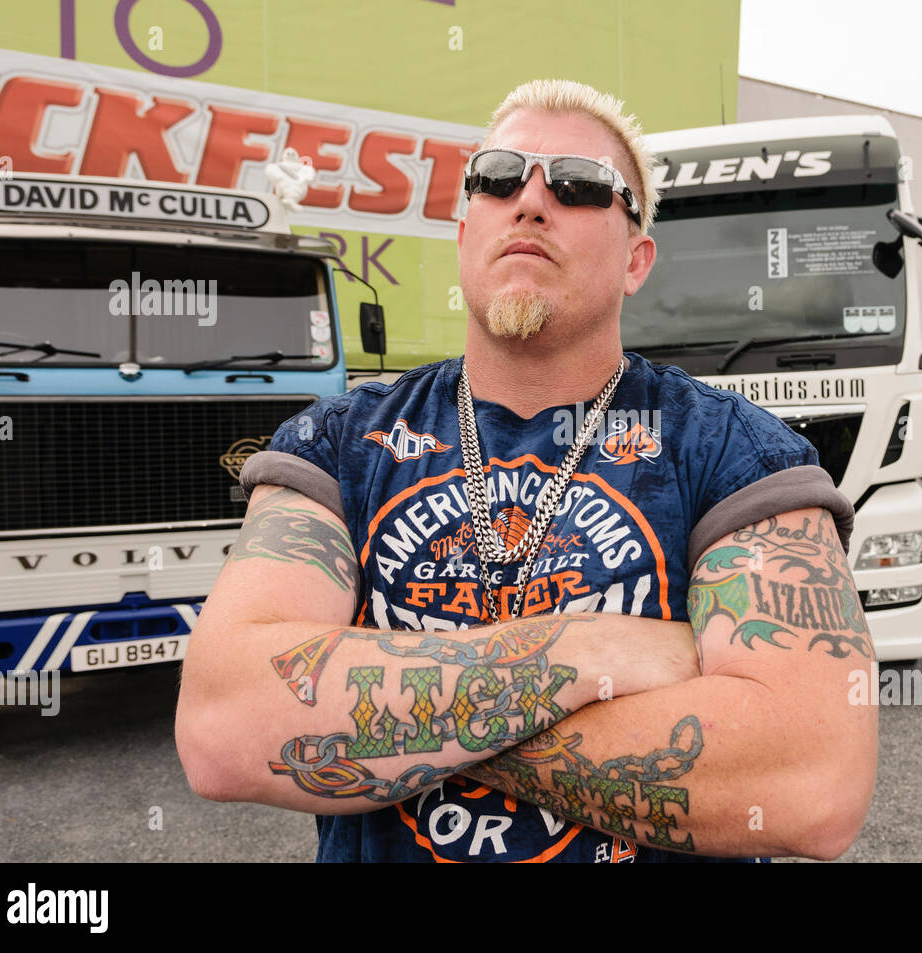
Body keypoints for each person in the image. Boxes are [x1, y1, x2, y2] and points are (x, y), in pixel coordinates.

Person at [175, 79, 878, 863]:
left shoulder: (732, 453)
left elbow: (810, 779)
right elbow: (224, 724)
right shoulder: (341, 442)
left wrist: (382, 712)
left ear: (636, 259)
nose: (532, 200)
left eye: (579, 186)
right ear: (464, 227)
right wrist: (591, 653)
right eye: (498, 176)